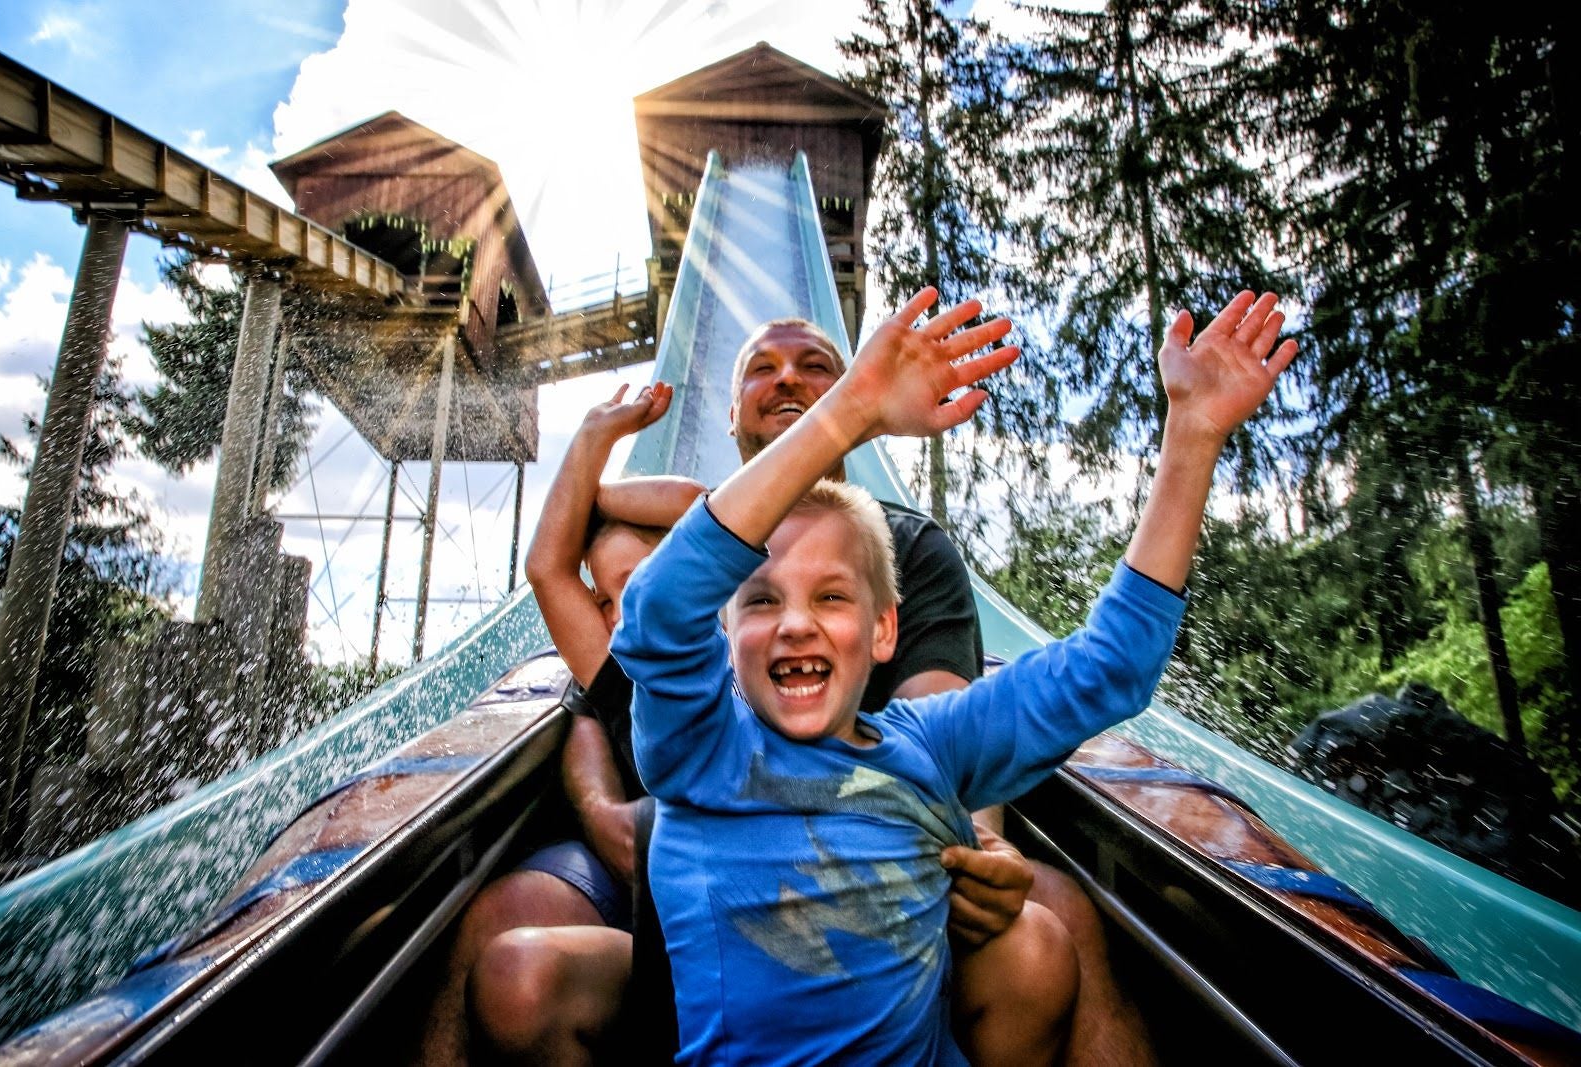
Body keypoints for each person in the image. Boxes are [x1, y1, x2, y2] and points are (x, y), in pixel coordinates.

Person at [612, 286, 1295, 1062]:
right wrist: (849, 407)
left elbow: (1110, 666)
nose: (796, 622)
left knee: (1047, 930)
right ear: (725, 631)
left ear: (884, 629)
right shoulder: (699, 748)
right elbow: (657, 611)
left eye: (831, 597)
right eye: (763, 600)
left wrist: (1193, 437)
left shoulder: (926, 744)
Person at [418, 359, 1031, 1063]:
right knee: (509, 947)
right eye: (606, 599)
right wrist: (592, 438)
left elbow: (943, 746)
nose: (619, 616)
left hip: (822, 913)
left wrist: (977, 837)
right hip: (694, 939)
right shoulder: (643, 676)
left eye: (635, 593)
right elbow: (566, 571)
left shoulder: (772, 681)